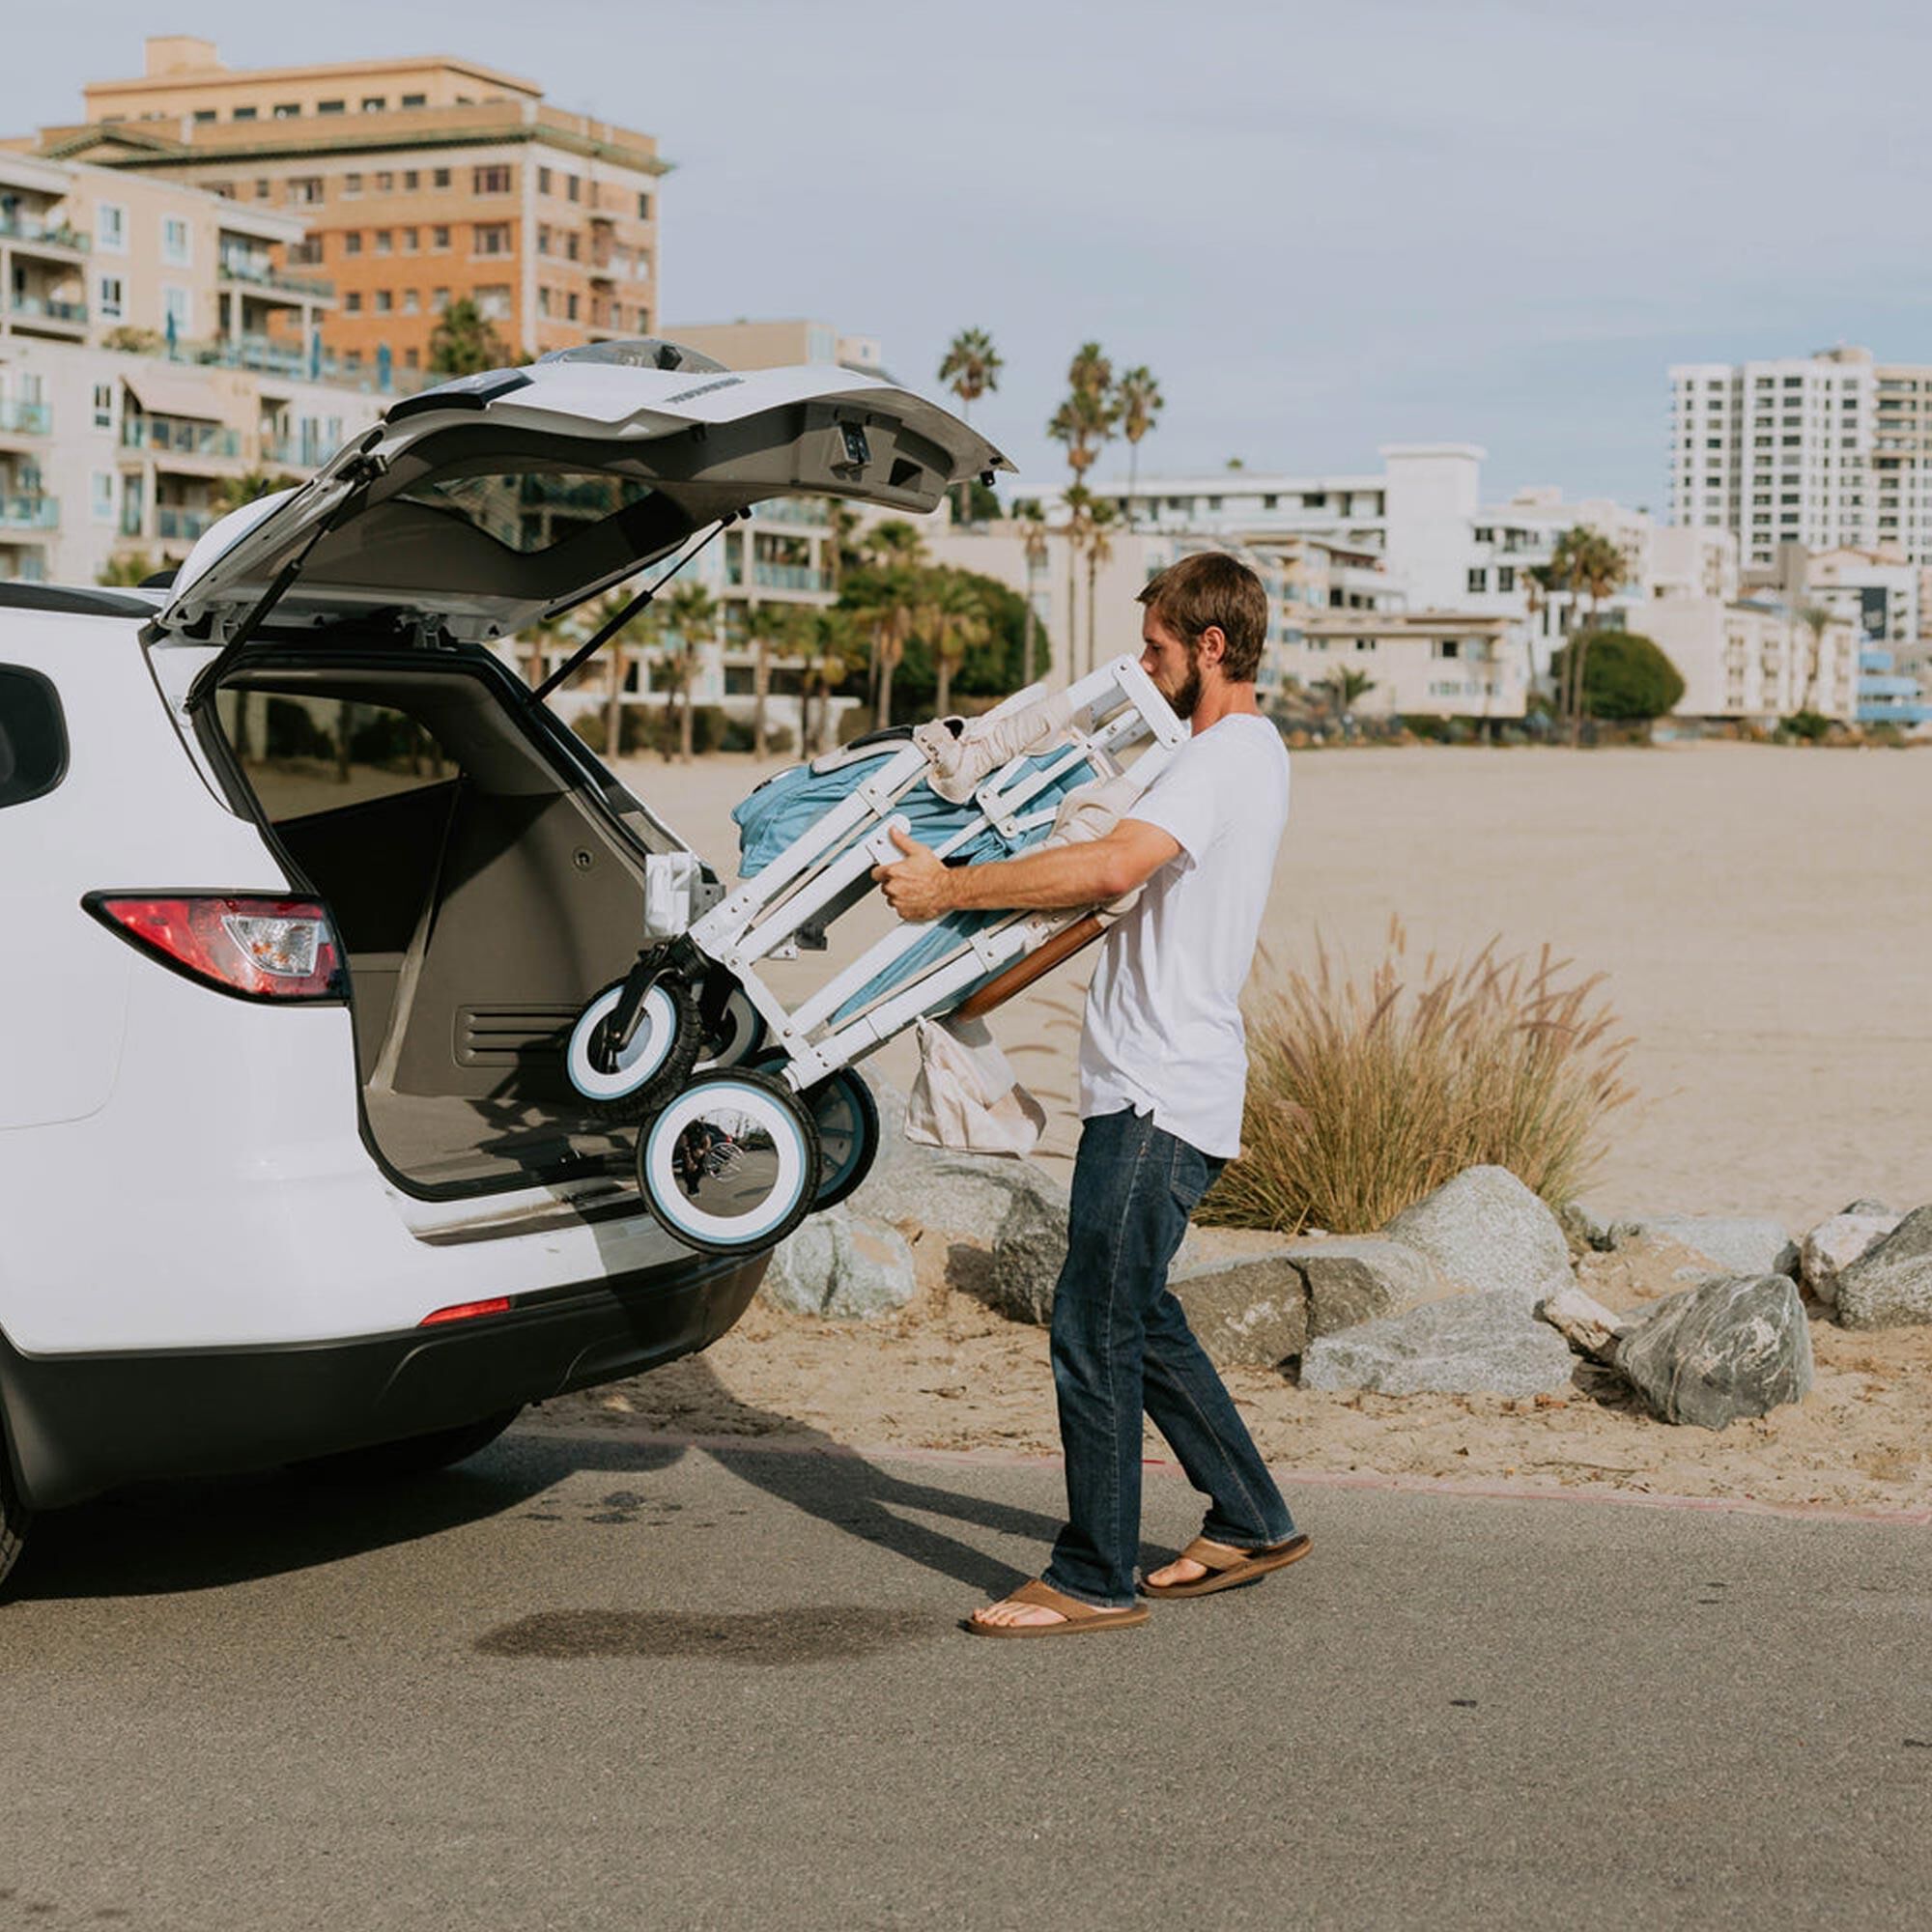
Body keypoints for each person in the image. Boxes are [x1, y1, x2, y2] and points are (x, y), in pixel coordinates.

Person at [873, 552, 1306, 1637]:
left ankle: (1092, 1573)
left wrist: (946, 889)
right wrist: (958, 960)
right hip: (1154, 1085)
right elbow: (1096, 904)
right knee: (1134, 1309)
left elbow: (1109, 871)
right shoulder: (1217, 762)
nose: (1144, 664)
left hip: (1161, 1094)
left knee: (1088, 1320)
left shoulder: (1224, 757)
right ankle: (1249, 1516)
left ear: (1210, 647)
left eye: (1157, 646)